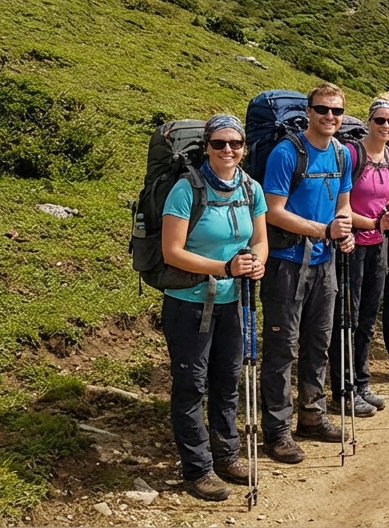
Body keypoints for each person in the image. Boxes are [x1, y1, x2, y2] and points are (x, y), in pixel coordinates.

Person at [160, 115, 267, 501]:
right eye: (219, 143)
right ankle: (198, 468)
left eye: (235, 144)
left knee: (227, 380)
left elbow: (260, 240)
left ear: (244, 147)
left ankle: (227, 454)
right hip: (189, 303)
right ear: (206, 146)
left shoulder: (250, 187)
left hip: (232, 301)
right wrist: (224, 268)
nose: (228, 150)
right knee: (191, 386)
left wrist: (256, 262)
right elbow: (172, 252)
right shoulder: (186, 190)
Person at [261, 83, 355, 464]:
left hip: (325, 261)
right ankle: (278, 431)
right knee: (282, 348)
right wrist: (323, 231)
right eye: (322, 110)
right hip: (286, 261)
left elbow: (343, 205)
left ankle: (312, 416)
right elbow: (273, 210)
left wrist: (344, 230)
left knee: (319, 341)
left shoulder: (342, 154)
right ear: (309, 111)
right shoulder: (287, 153)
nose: (329, 117)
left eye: (336, 111)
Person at [329, 99, 389, 417]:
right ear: (369, 121)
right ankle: (342, 389)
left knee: (368, 316)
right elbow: (339, 206)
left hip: (378, 245)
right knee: (347, 317)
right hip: (351, 245)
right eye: (380, 120)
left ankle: (360, 382)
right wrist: (374, 223)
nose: (386, 126)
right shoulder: (351, 154)